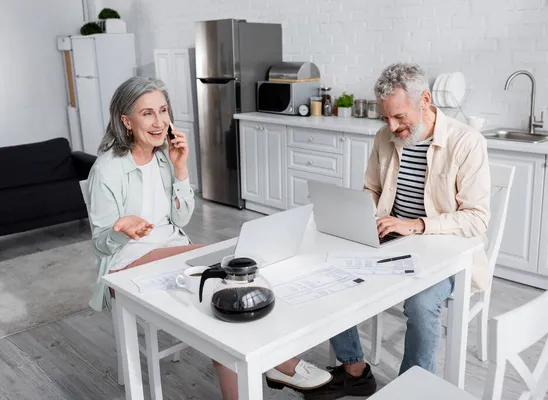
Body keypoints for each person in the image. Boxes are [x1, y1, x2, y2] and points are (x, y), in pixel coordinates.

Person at [86, 77, 332, 400]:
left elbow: (182, 218)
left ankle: (265, 366)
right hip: (126, 263)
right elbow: (100, 244)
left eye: (163, 110)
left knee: (234, 276)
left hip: (171, 250)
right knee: (219, 281)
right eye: (147, 114)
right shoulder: (107, 169)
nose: (160, 122)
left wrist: (181, 169)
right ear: (126, 120)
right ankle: (280, 362)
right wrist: (121, 229)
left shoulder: (163, 158)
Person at [307, 63, 491, 400]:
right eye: (385, 118)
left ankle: (413, 390)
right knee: (328, 269)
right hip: (390, 238)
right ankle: (355, 369)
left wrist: (417, 225)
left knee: (421, 304)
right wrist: (357, 216)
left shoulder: (466, 143)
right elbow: (371, 191)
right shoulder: (385, 137)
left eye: (399, 118)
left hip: (445, 251)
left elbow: (476, 220)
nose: (392, 127)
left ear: (424, 100)